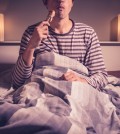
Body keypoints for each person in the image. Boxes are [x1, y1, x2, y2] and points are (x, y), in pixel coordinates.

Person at [12, 0, 108, 90]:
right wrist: (31, 45)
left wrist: (81, 80)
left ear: (72, 2)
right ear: (46, 3)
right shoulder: (31, 33)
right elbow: (18, 82)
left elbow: (102, 77)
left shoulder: (88, 33)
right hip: (42, 92)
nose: (60, 0)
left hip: (77, 91)